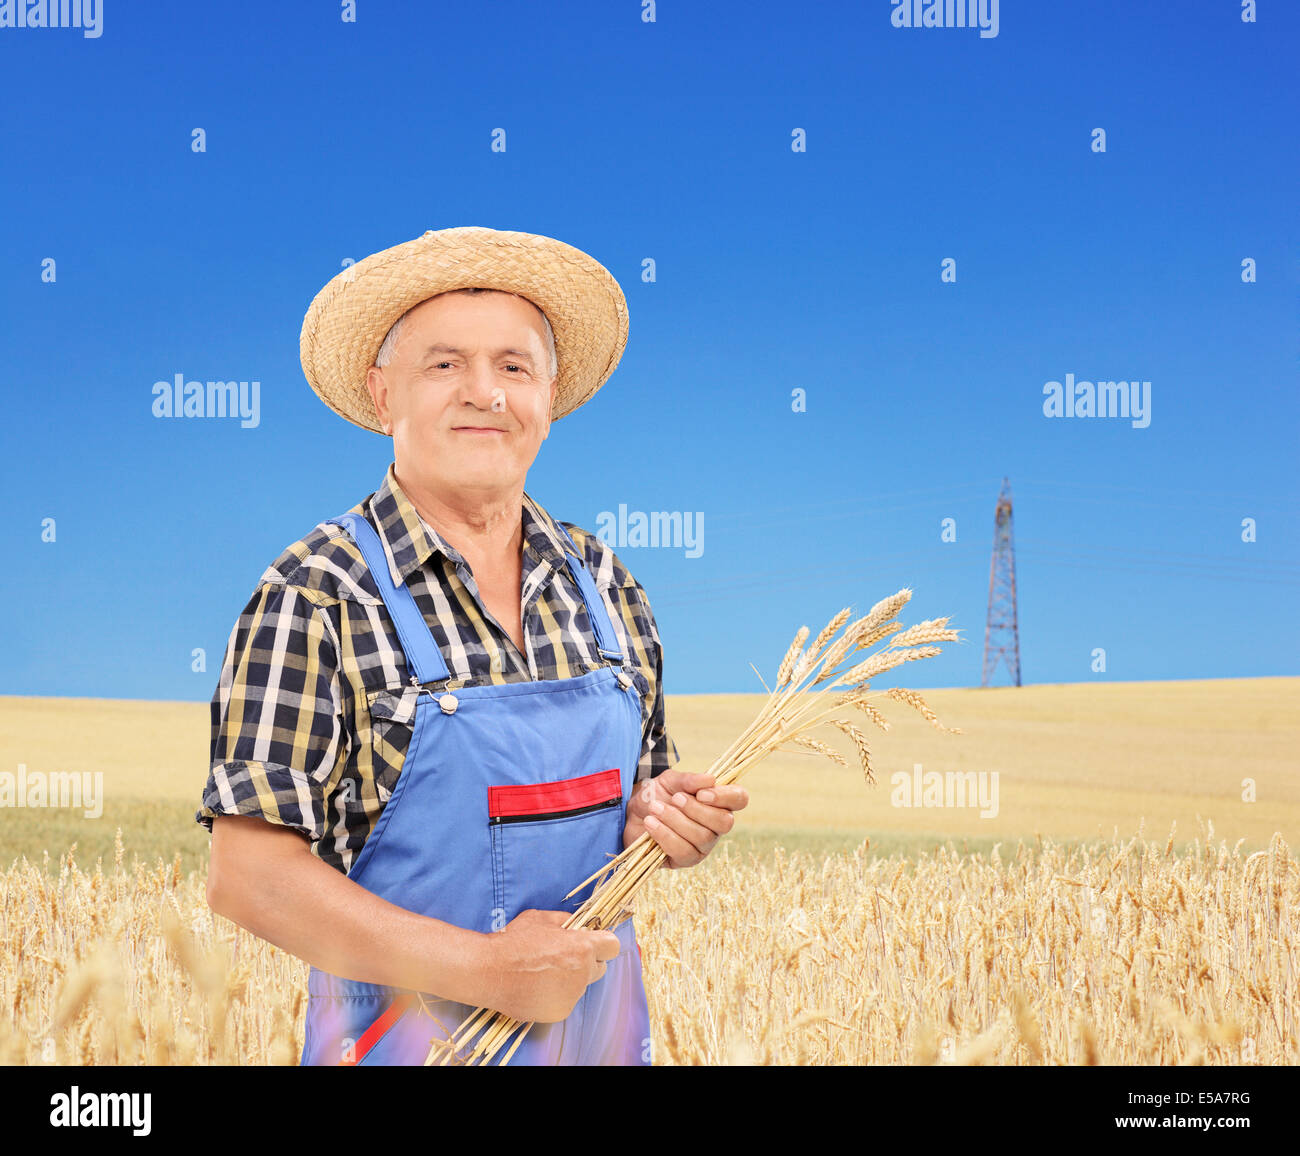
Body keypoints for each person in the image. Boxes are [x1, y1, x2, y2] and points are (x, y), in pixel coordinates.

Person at [195, 225, 748, 1065]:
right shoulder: (316, 593)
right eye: (445, 365)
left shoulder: (607, 585)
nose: (484, 393)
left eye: (514, 367)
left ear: (550, 394)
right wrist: (484, 969)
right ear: (384, 396)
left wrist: (664, 823)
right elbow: (249, 877)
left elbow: (638, 800)